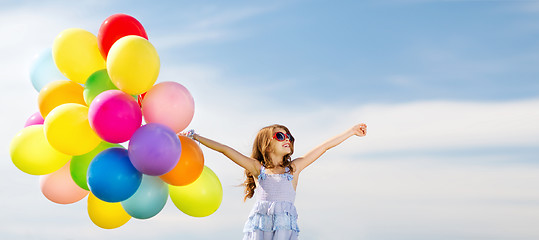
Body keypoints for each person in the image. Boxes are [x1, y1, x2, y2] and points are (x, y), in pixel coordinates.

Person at [185, 123, 367, 239]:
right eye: (280, 136)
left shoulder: (294, 169)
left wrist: (351, 132)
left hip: (284, 230)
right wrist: (196, 137)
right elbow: (225, 150)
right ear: (266, 144)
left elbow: (324, 147)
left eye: (289, 136)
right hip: (260, 229)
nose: (286, 139)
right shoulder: (258, 169)